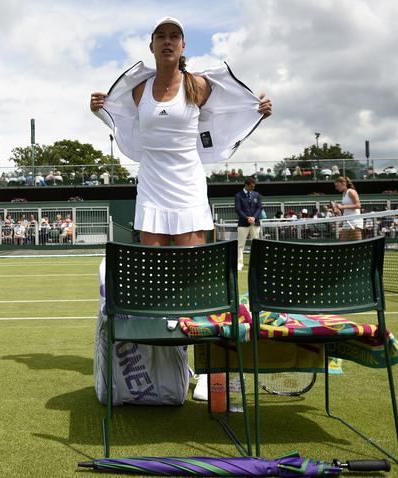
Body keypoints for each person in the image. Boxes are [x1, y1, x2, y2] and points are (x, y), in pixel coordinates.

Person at [90, 16, 272, 402]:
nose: (168, 42)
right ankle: (171, 366)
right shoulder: (139, 90)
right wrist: (98, 111)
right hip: (151, 190)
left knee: (193, 286)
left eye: (175, 37)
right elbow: (120, 119)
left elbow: (229, 112)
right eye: (161, 37)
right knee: (156, 281)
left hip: (188, 189)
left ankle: (206, 370)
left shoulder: (198, 85)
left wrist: (257, 109)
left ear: (183, 46)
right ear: (152, 47)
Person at [234, 177, 263, 271]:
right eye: (251, 186)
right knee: (240, 244)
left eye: (254, 186)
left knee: (256, 244)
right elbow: (238, 209)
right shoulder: (238, 195)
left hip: (255, 223)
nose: (253, 188)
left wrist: (254, 217)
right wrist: (247, 218)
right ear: (246, 185)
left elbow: (259, 208)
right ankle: (239, 264)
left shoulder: (257, 195)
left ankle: (256, 263)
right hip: (243, 223)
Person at [333, 176, 363, 241]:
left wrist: (342, 206)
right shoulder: (344, 194)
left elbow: (358, 205)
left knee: (358, 243)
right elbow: (347, 208)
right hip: (347, 220)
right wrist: (339, 210)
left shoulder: (351, 192)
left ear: (343, 183)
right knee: (342, 242)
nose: (336, 188)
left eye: (337, 185)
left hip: (355, 220)